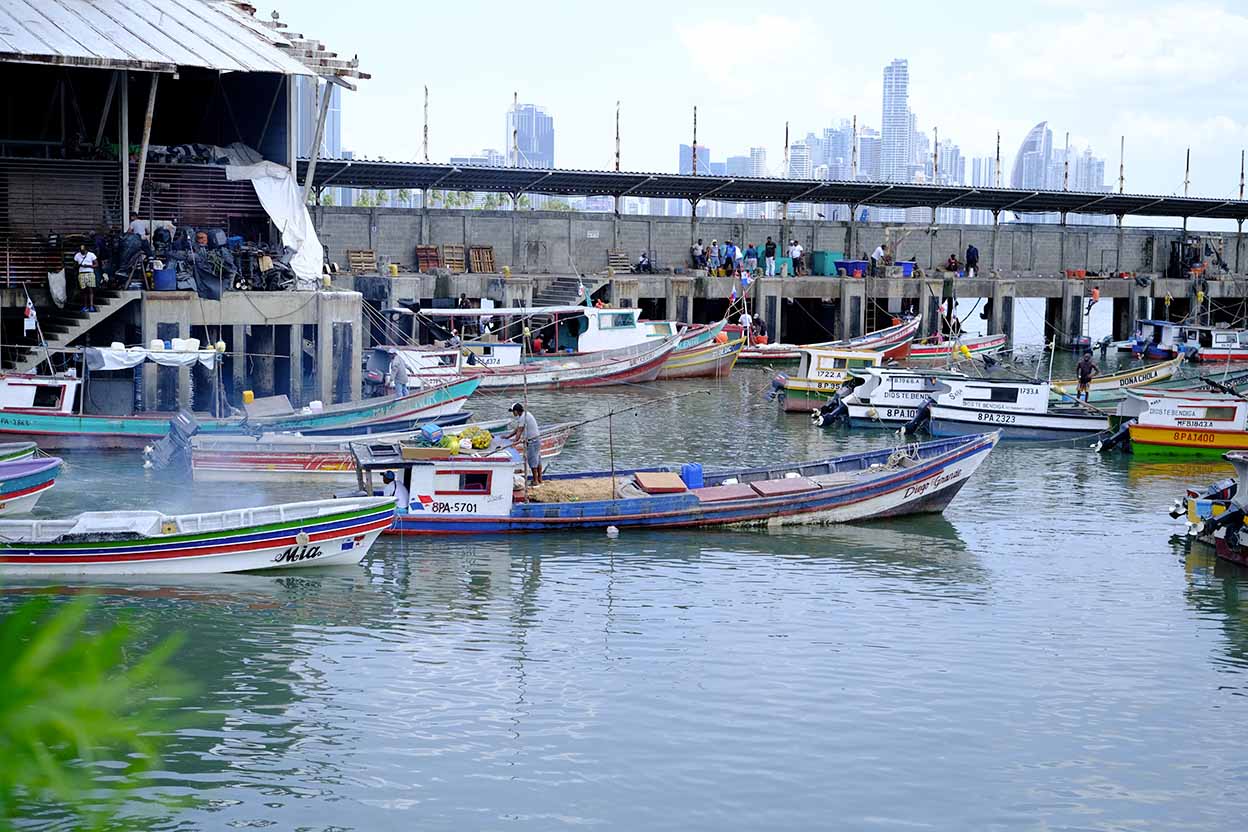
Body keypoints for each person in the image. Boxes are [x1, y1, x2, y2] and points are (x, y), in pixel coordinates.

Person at [508, 402, 543, 485]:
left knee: (533, 461)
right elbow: (517, 429)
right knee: (538, 460)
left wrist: (515, 443)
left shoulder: (523, 417)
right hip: (536, 440)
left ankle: (535, 481)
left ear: (516, 411)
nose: (513, 413)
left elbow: (519, 431)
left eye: (513, 411)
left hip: (532, 441)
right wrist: (508, 437)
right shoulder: (525, 415)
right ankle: (540, 479)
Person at [74, 243, 97, 312]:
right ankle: (85, 306)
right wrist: (79, 265)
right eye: (81, 251)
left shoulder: (91, 255)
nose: (82, 252)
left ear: (86, 249)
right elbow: (74, 265)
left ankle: (91, 306)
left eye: (83, 251)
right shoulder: (77, 255)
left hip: (90, 273)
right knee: (83, 291)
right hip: (81, 274)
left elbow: (96, 265)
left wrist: (88, 266)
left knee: (90, 290)